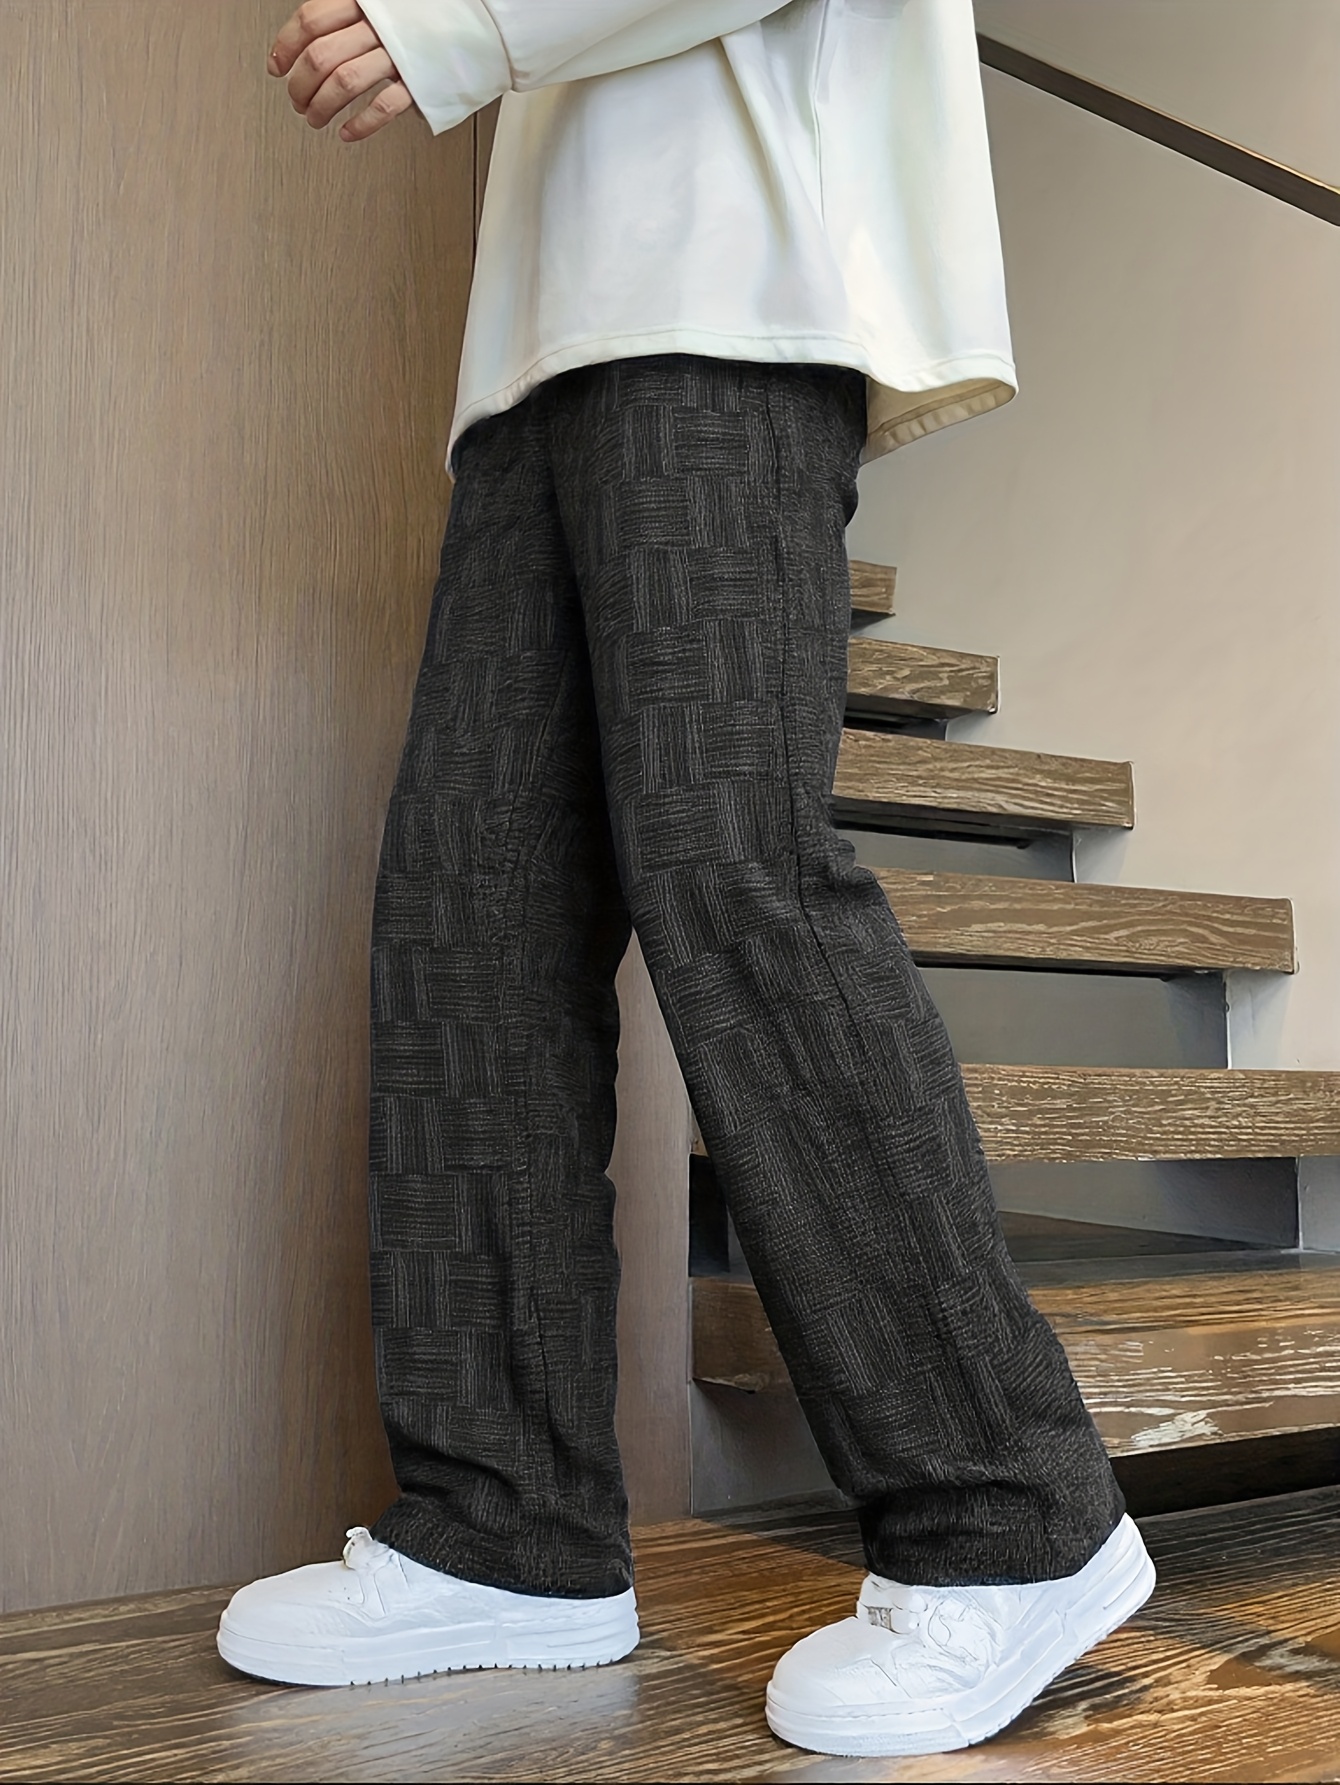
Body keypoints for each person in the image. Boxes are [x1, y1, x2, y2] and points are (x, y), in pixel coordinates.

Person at [216, 0, 1156, 1758]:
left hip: (732, 284)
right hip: (543, 344)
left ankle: (1008, 1509)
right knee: (470, 913)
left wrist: (458, 21)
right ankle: (506, 1526)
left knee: (733, 872)